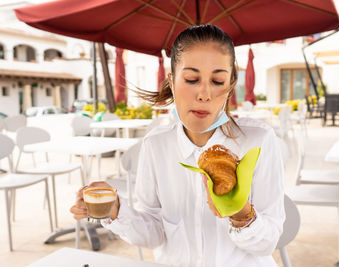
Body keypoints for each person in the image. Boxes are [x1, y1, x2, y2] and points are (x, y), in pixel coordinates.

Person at [70, 24, 285, 267]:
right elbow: (154, 232)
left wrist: (241, 215)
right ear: (172, 81)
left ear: (230, 84)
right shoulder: (156, 145)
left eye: (217, 80)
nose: (204, 93)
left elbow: (268, 242)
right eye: (192, 79)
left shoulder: (258, 140)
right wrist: (116, 211)